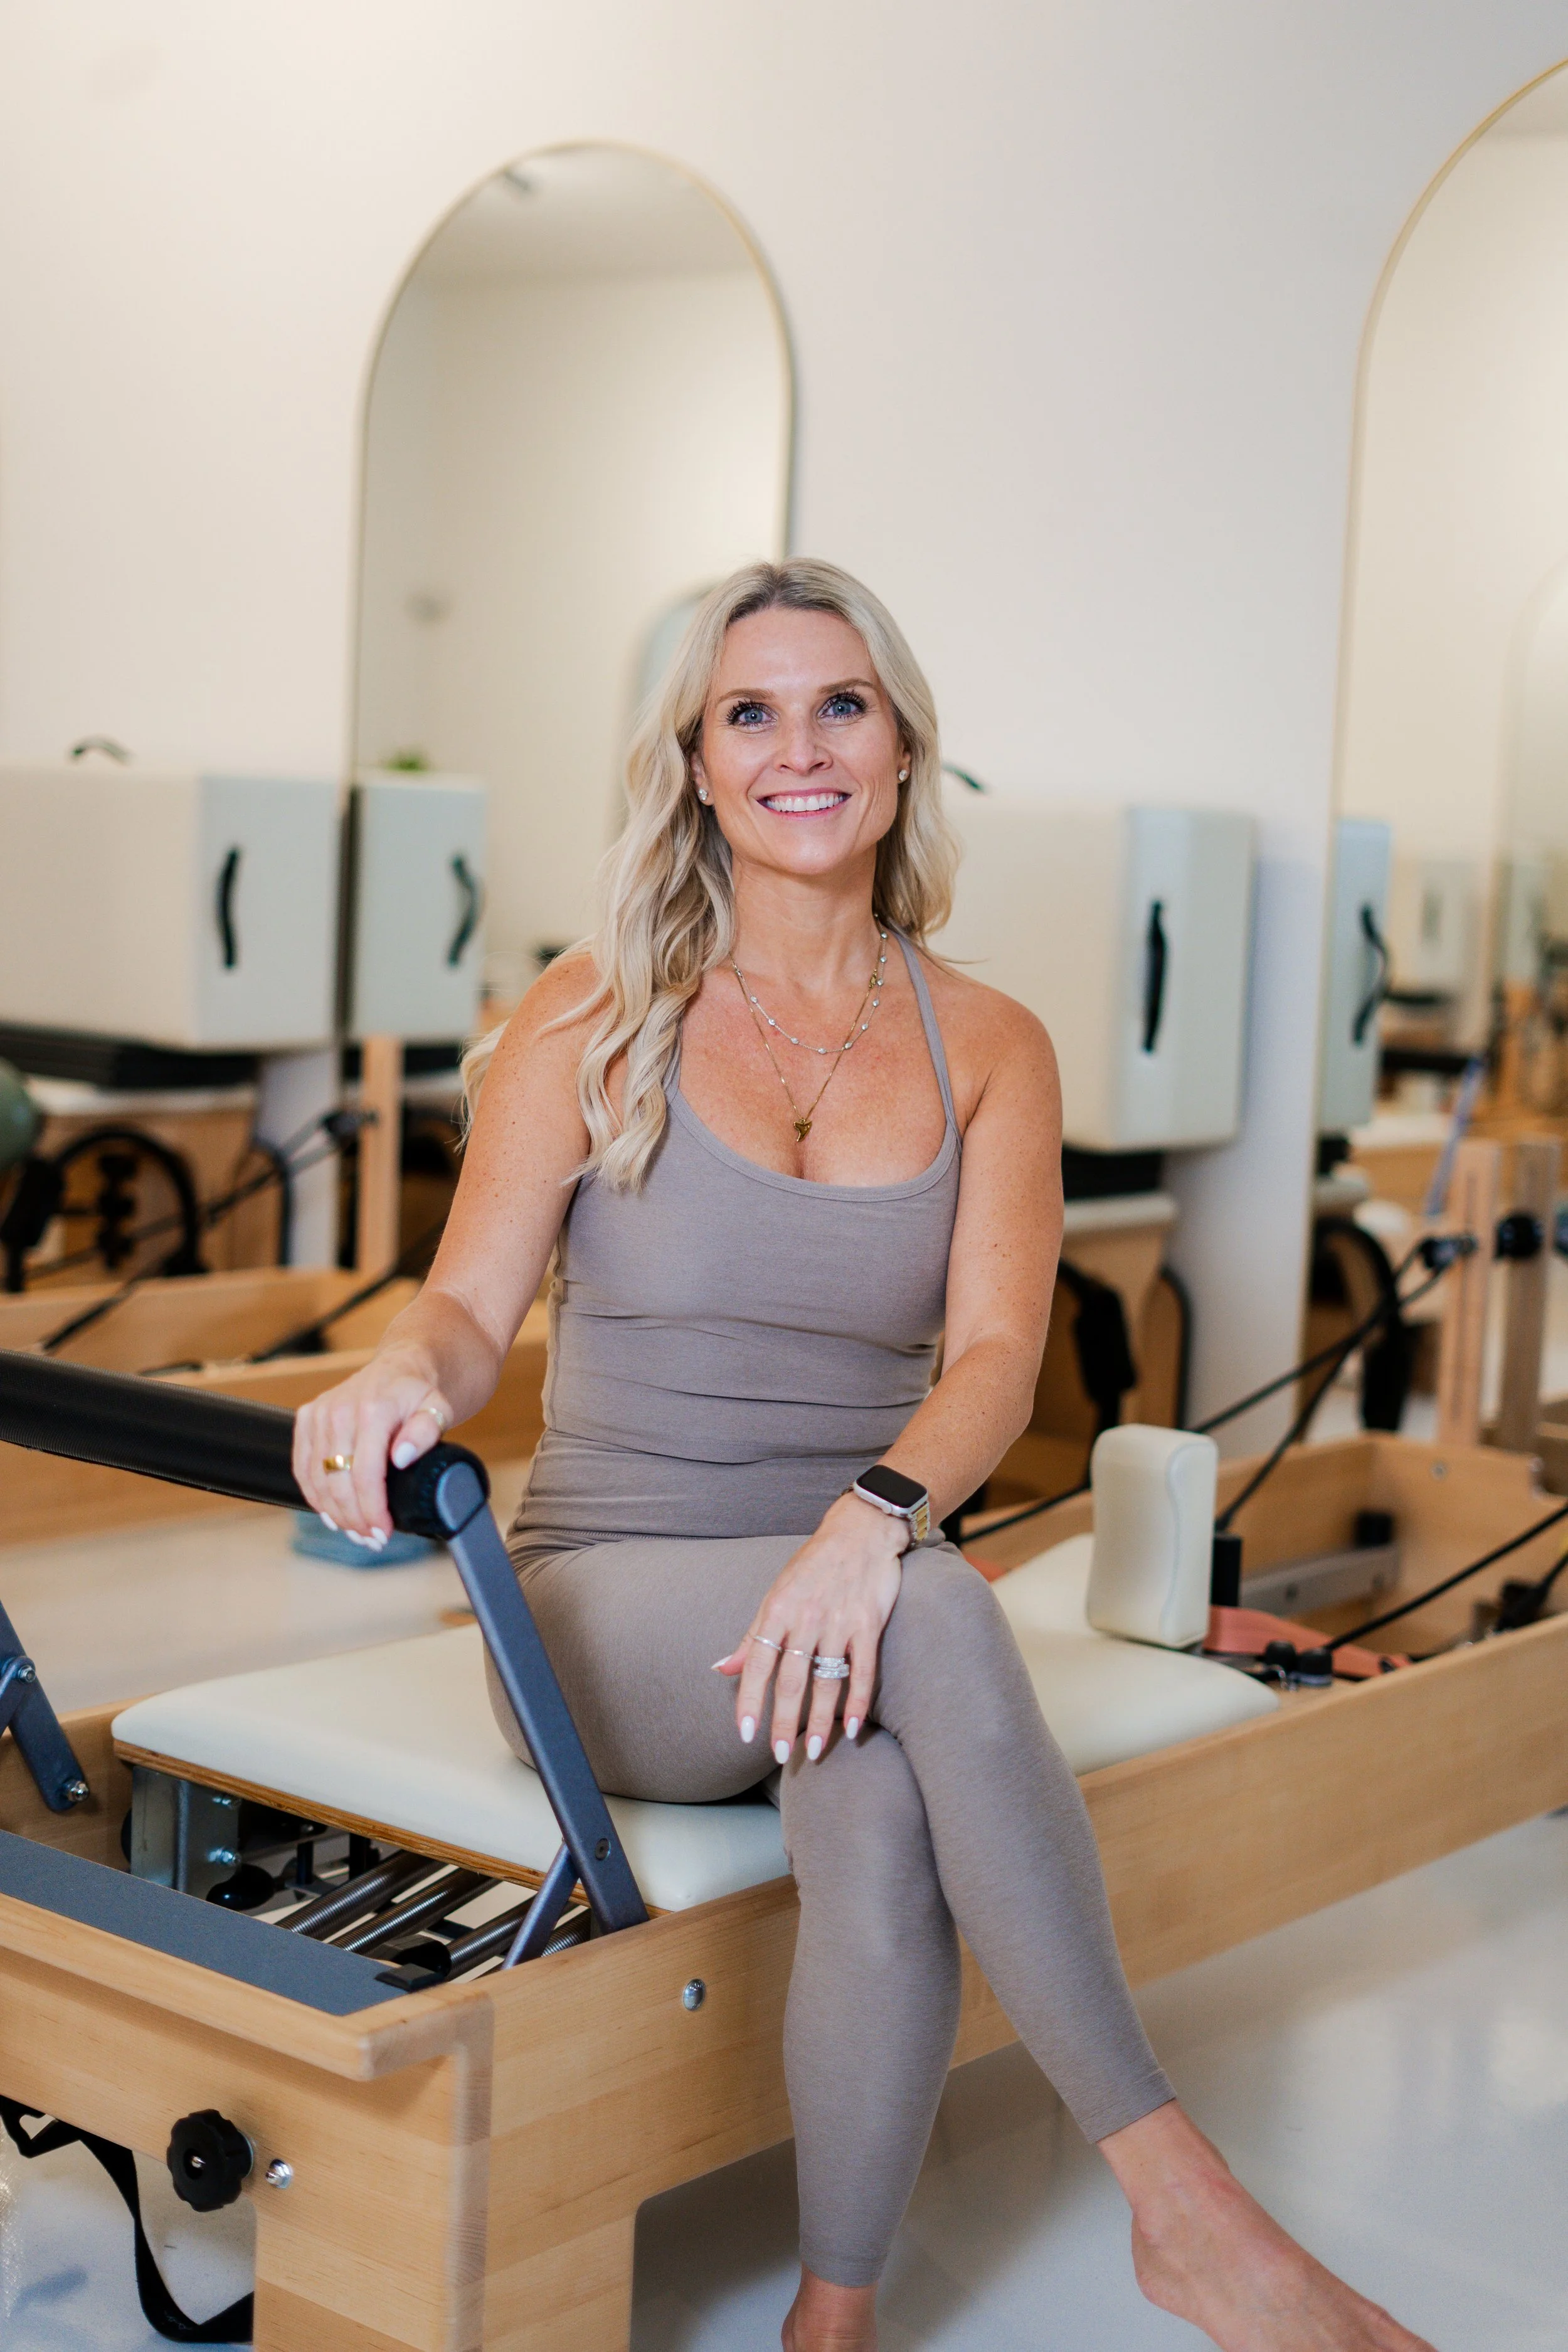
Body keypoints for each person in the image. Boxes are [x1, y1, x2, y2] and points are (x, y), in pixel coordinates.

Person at [295, 559, 1432, 2352]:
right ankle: (1191, 2211)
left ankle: (828, 2322)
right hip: (610, 1609)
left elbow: (993, 1358)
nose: (798, 746)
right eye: (750, 710)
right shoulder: (587, 1017)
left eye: (841, 705)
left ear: (903, 752)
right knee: (939, 1618)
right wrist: (386, 1376)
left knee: (882, 1788)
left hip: (853, 1582)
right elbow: (461, 1308)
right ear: (691, 762)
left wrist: (866, 1523)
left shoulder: (987, 1042)